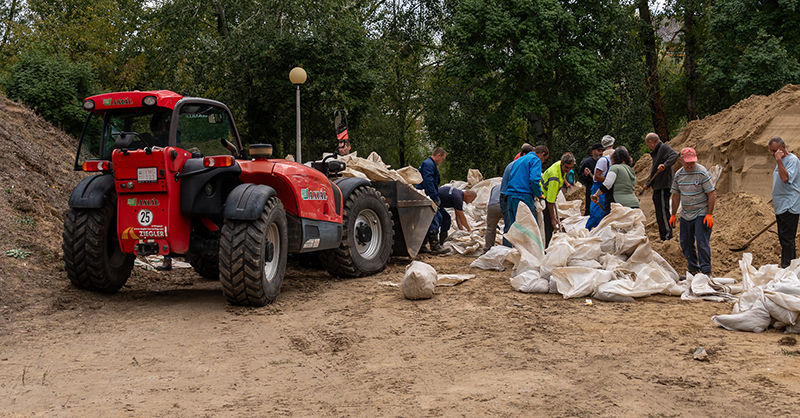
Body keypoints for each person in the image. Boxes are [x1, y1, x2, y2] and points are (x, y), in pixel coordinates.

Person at [670, 147, 715, 275]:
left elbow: (711, 194)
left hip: (701, 211)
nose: (690, 165)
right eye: (687, 162)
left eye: (692, 162)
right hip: (686, 213)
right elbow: (676, 195)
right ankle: (693, 269)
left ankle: (706, 270)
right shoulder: (679, 175)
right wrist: (673, 214)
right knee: (685, 242)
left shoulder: (702, 173)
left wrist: (709, 214)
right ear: (681, 160)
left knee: (701, 241)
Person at [768, 137, 800, 268]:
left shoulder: (792, 160)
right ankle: (790, 267)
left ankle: (787, 267)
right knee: (784, 238)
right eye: (771, 151)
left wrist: (779, 160)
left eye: (775, 150)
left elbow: (786, 178)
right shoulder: (781, 160)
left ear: (783, 148)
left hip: (790, 205)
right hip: (781, 205)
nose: (773, 154)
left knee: (787, 238)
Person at [643, 133, 679, 241]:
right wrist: (649, 182)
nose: (649, 147)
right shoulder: (657, 152)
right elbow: (655, 170)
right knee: (659, 212)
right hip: (657, 185)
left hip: (663, 185)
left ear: (651, 142)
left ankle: (667, 236)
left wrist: (665, 165)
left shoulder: (664, 148)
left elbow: (674, 156)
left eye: (648, 144)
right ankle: (663, 235)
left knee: (663, 211)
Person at [499, 144, 535, 246]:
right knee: (511, 226)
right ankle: (508, 250)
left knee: (514, 225)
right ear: (524, 154)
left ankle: (513, 249)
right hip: (508, 196)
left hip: (507, 195)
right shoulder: (517, 165)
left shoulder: (514, 164)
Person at [540, 153, 576, 246]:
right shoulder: (554, 177)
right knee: (548, 225)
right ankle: (545, 248)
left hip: (546, 195)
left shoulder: (559, 166)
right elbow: (550, 201)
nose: (568, 170)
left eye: (570, 168)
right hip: (543, 198)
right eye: (566, 167)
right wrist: (553, 218)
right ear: (562, 164)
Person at [416, 147, 447, 253]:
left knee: (431, 218)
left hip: (426, 194)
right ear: (438, 155)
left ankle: (423, 244)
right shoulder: (429, 164)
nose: (442, 161)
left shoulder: (428, 164)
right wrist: (434, 197)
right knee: (435, 217)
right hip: (426, 195)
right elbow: (428, 182)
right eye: (442, 159)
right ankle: (434, 245)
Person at [506, 144, 543, 229]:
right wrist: (538, 193)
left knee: (515, 228)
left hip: (510, 196)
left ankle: (514, 243)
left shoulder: (518, 160)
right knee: (530, 228)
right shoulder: (535, 160)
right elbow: (534, 180)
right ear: (542, 154)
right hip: (523, 197)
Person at [591, 146, 639, 212]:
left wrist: (596, 194)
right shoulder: (630, 170)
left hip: (618, 204)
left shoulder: (615, 168)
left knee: (607, 221)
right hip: (633, 203)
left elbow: (607, 184)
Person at [586, 135, 616, 230]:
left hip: (609, 189)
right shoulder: (603, 161)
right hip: (599, 188)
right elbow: (597, 177)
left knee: (606, 213)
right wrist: (608, 180)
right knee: (596, 214)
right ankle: (589, 231)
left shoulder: (615, 161)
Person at [578, 143, 604, 216]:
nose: (601, 153)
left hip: (603, 188)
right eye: (599, 151)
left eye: (602, 151)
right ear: (593, 152)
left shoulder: (604, 161)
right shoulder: (587, 162)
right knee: (591, 209)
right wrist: (585, 175)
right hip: (591, 188)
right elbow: (580, 176)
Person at [484, 184, 503, 252]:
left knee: (490, 228)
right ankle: (507, 248)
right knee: (508, 228)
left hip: (492, 206)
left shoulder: (495, 187)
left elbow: (491, 199)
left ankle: (488, 249)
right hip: (504, 204)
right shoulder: (508, 185)